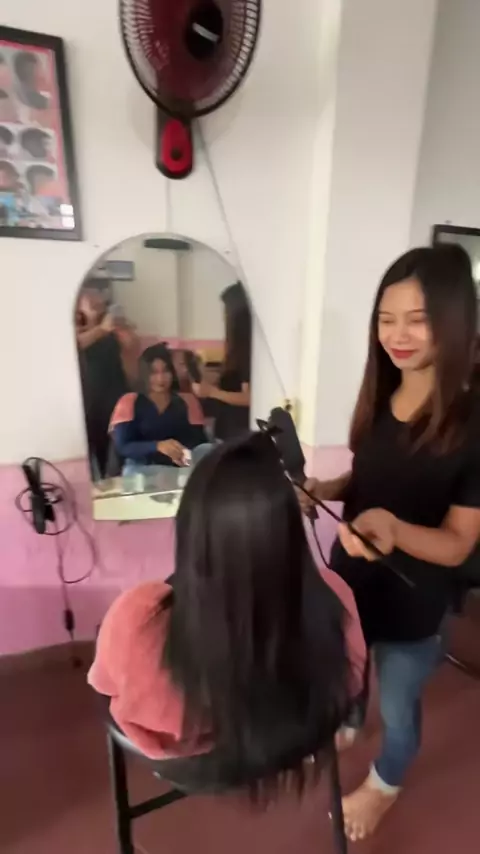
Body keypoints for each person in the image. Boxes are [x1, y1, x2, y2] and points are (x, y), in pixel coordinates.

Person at [300, 244, 480, 841]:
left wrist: (396, 530)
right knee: (350, 664)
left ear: (454, 321)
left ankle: (385, 784)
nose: (397, 336)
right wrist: (327, 487)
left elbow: (457, 545)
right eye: (386, 319)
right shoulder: (382, 393)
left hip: (415, 599)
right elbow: (371, 474)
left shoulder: (472, 423)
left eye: (417, 320)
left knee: (398, 704)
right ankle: (350, 721)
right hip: (354, 578)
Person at [88, 432, 366, 795]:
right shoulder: (335, 598)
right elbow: (350, 681)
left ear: (192, 528)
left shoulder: (137, 620)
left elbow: (106, 686)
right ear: (288, 527)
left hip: (196, 767)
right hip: (291, 746)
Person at [110, 344, 208, 469]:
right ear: (144, 374)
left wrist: (182, 453)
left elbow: (199, 443)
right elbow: (123, 446)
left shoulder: (188, 401)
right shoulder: (129, 401)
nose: (160, 378)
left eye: (165, 371)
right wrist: (157, 446)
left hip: (179, 468)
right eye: (154, 372)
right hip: (140, 470)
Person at [76, 284, 129, 479]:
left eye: (97, 297)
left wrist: (124, 329)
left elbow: (131, 352)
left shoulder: (112, 330)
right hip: (89, 402)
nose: (94, 301)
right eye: (88, 297)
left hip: (116, 397)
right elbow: (75, 345)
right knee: (94, 453)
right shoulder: (77, 330)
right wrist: (101, 328)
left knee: (119, 452)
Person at [193, 281, 251, 440]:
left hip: (238, 431)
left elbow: (249, 398)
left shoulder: (247, 351)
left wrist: (212, 392)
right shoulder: (237, 349)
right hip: (228, 428)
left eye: (225, 311)